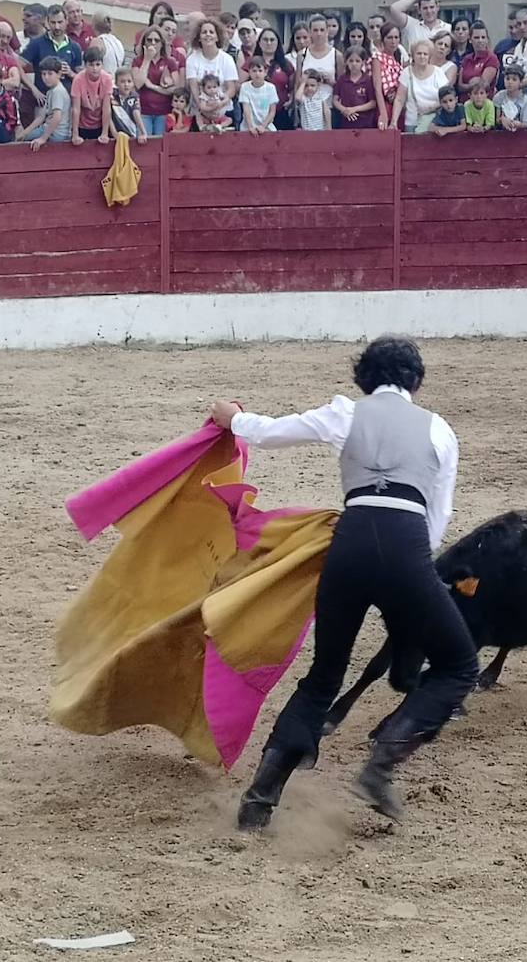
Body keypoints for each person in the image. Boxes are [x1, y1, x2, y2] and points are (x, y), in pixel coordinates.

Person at [217, 336, 475, 830]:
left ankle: (260, 799)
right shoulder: (439, 430)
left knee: (323, 676)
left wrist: (233, 419)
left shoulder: (345, 412)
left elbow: (270, 434)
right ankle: (380, 767)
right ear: (415, 382)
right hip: (406, 549)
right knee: (458, 664)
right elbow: (436, 523)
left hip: (350, 544)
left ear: (363, 380)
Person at [185, 17, 238, 124]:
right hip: (200, 113)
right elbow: (193, 88)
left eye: (211, 32)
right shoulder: (192, 59)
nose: (208, 34)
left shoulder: (227, 59)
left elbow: (231, 89)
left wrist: (219, 104)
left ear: (217, 37)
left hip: (224, 111)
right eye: (204, 32)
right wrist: (204, 109)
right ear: (199, 37)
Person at [131, 25, 181, 137]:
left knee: (161, 144)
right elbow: (138, 84)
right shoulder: (137, 61)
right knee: (145, 145)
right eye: (149, 40)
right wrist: (147, 59)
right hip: (143, 111)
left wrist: (152, 86)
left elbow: (175, 89)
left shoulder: (170, 62)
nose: (153, 43)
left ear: (162, 43)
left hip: (164, 112)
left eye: (157, 40)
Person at [23, 4, 82, 95]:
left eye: (60, 22)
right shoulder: (37, 43)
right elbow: (17, 65)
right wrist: (33, 89)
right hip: (44, 100)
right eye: (53, 23)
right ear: (47, 22)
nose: (57, 27)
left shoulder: (75, 47)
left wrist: (70, 73)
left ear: (66, 21)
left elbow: (81, 78)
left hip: (67, 100)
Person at [393, 38, 446, 133]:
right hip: (412, 123)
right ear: (413, 55)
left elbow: (448, 96)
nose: (422, 56)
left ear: (430, 56)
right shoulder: (406, 73)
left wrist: (431, 108)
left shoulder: (438, 72)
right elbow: (399, 99)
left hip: (436, 123)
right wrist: (393, 122)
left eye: (425, 54)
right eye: (419, 53)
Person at [18, 57, 71, 149]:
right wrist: (25, 132)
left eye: (50, 74)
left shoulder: (57, 92)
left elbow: (57, 118)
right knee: (24, 137)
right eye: (43, 74)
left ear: (59, 74)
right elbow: (41, 117)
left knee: (25, 143)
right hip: (49, 129)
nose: (46, 77)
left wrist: (43, 138)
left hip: (56, 132)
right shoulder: (51, 91)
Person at [69, 44, 113, 144]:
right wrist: (75, 134)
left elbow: (106, 108)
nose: (94, 68)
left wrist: (105, 133)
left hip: (100, 123)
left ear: (102, 65)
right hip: (82, 124)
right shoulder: (78, 79)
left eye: (98, 64)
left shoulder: (107, 79)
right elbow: (76, 109)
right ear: (85, 65)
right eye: (91, 65)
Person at [333, 46, 377, 128]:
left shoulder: (368, 80)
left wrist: (354, 109)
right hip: (346, 123)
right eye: (351, 61)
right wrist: (344, 109)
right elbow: (335, 100)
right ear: (346, 62)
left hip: (365, 123)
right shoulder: (342, 80)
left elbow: (373, 103)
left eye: (357, 61)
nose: (354, 64)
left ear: (363, 62)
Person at [456, 21, 499, 103]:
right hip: (463, 103)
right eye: (476, 37)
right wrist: (472, 84)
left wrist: (469, 85)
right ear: (470, 39)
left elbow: (483, 85)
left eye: (483, 37)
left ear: (487, 39)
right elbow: (460, 86)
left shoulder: (491, 58)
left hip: (482, 106)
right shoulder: (466, 59)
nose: (480, 40)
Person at [373, 22, 405, 130]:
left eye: (396, 37)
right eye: (389, 37)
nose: (393, 41)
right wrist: (383, 113)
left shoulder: (398, 58)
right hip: (384, 104)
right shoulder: (377, 57)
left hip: (398, 105)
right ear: (383, 39)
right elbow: (377, 88)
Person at [238, 55, 279, 133]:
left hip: (267, 126)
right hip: (248, 127)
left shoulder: (271, 88)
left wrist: (263, 126)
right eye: (254, 71)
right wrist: (250, 127)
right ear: (249, 72)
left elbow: (272, 111)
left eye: (260, 71)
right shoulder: (245, 87)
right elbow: (246, 109)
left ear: (265, 72)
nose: (257, 74)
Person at [108, 65, 148, 142]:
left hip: (131, 135)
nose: (126, 84)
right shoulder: (112, 96)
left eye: (129, 81)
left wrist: (143, 132)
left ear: (133, 83)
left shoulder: (135, 97)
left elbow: (136, 113)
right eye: (122, 82)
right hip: (113, 136)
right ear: (116, 83)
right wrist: (114, 133)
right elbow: (108, 116)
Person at [494, 63, 527, 131]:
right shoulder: (499, 96)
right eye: (507, 79)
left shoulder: (526, 100)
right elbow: (496, 120)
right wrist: (502, 120)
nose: (510, 82)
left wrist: (518, 124)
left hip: (519, 136)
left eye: (514, 79)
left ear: (521, 82)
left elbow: (525, 124)